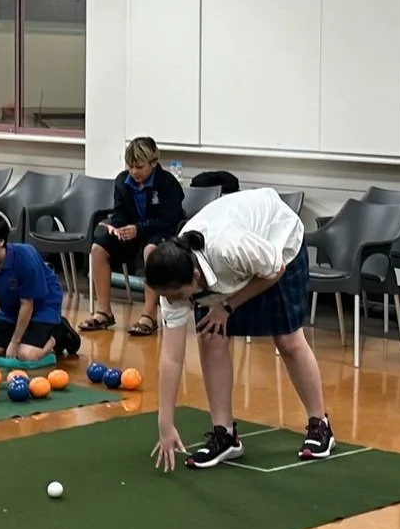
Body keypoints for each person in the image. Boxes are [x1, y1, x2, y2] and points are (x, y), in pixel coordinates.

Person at [142, 187, 333, 470]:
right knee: (211, 336)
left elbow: (275, 269)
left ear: (194, 278)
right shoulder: (172, 280)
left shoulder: (229, 246)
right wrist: (165, 422)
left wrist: (227, 306)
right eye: (167, 297)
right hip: (227, 272)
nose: (173, 302)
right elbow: (172, 357)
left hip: (277, 245)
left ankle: (320, 425)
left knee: (288, 339)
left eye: (178, 295)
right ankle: (225, 435)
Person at [79, 136, 185, 337]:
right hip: (132, 233)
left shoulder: (168, 183)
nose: (134, 171)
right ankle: (104, 311)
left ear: (153, 163)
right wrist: (116, 227)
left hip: (161, 234)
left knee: (151, 251)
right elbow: (120, 213)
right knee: (98, 249)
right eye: (130, 166)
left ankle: (149, 315)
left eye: (139, 166)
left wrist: (139, 228)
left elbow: (169, 220)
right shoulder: (122, 181)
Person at [0, 214, 81, 363]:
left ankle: (59, 333)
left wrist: (15, 341)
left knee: (26, 355)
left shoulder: (25, 257)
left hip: (43, 306)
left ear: (0, 242)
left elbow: (28, 304)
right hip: (11, 308)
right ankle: (23, 336)